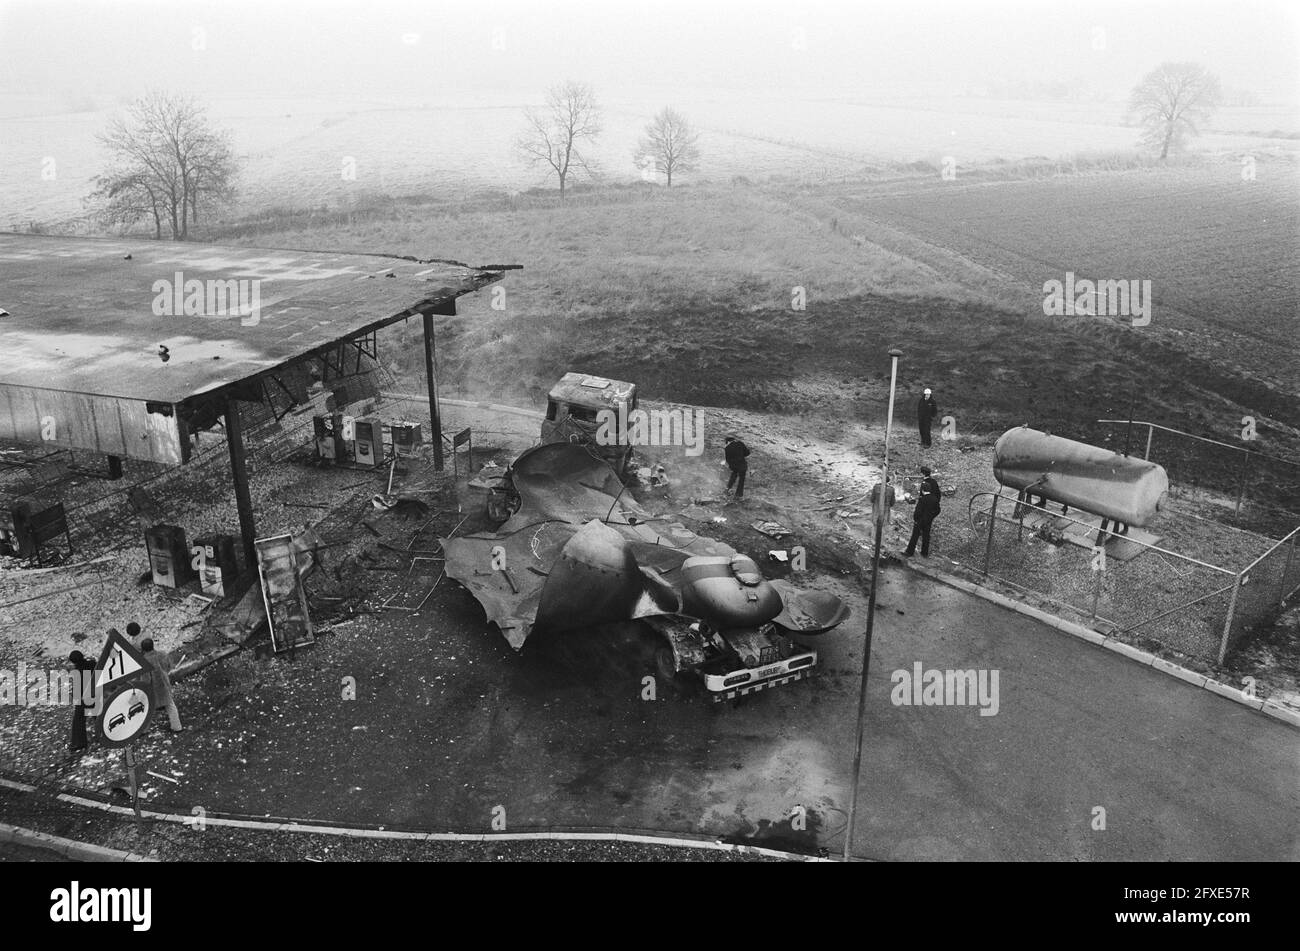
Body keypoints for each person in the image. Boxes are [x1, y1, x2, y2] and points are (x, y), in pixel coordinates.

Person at [141, 638, 182, 733]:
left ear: (143, 649)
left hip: (153, 688)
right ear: (153, 645)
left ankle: (144, 730)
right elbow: (168, 667)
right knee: (170, 705)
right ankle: (177, 727)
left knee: (148, 709)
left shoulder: (144, 661)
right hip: (164, 684)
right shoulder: (162, 654)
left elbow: (146, 679)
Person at [905, 466, 942, 557]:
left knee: (915, 535)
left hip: (921, 517)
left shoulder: (924, 487)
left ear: (922, 473)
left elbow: (917, 511)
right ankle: (924, 553)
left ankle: (909, 552)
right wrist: (932, 515)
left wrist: (916, 519)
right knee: (926, 535)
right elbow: (938, 507)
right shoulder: (934, 483)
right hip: (929, 516)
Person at [66, 650, 97, 754]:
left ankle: (79, 742)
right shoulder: (92, 663)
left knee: (79, 720)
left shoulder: (77, 672)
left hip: (84, 698)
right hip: (96, 694)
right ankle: (106, 733)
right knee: (98, 715)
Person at [723, 436, 750, 501]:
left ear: (727, 442)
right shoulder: (740, 443)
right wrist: (740, 454)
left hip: (733, 465)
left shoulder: (726, 448)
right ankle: (738, 495)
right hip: (742, 464)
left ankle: (728, 488)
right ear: (733, 440)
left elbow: (727, 460)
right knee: (741, 479)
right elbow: (747, 453)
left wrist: (730, 466)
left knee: (734, 474)